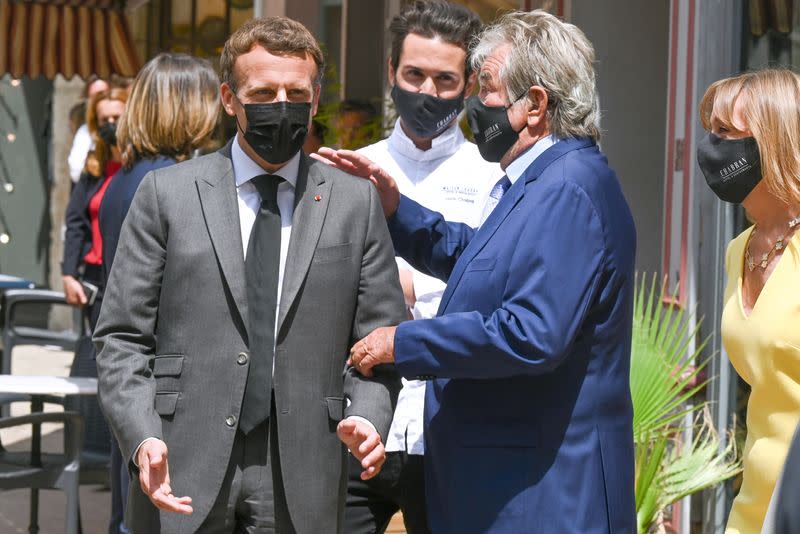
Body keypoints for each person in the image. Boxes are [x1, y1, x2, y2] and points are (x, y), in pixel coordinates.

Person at [322, 9, 637, 533]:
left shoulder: (567, 188)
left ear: (534, 105)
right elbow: (483, 261)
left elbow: (531, 332)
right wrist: (397, 211)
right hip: (513, 485)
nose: (475, 104)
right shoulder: (543, 179)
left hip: (544, 496)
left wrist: (405, 343)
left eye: (486, 88)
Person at [94, 16, 406, 534]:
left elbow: (379, 338)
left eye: (295, 93)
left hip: (302, 464)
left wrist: (369, 418)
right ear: (228, 98)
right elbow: (121, 337)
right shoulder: (166, 195)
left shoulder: (354, 203)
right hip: (180, 457)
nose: (281, 106)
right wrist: (142, 434)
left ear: (314, 96)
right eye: (263, 91)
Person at [334, 2, 498, 533]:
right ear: (391, 73)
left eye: (444, 79)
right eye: (414, 75)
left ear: (469, 83)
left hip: (450, 430)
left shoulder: (495, 177)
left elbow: (501, 293)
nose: (427, 92)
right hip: (357, 422)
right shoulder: (353, 170)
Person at [97, 52, 221, 534]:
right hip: (157, 387)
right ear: (189, 107)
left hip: (134, 381)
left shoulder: (125, 179)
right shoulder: (161, 186)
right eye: (213, 98)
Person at [695, 69, 800, 534]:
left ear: (774, 141)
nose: (709, 146)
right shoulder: (739, 250)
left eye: (725, 132)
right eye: (709, 130)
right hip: (753, 505)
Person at [62, 86, 128, 324]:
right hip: (95, 275)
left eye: (117, 118)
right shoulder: (93, 169)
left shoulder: (144, 168)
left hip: (130, 275)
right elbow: (75, 222)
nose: (111, 123)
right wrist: (69, 274)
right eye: (104, 119)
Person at [67, 76, 109, 184]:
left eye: (102, 95)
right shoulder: (85, 132)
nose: (98, 101)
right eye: (94, 97)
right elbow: (76, 170)